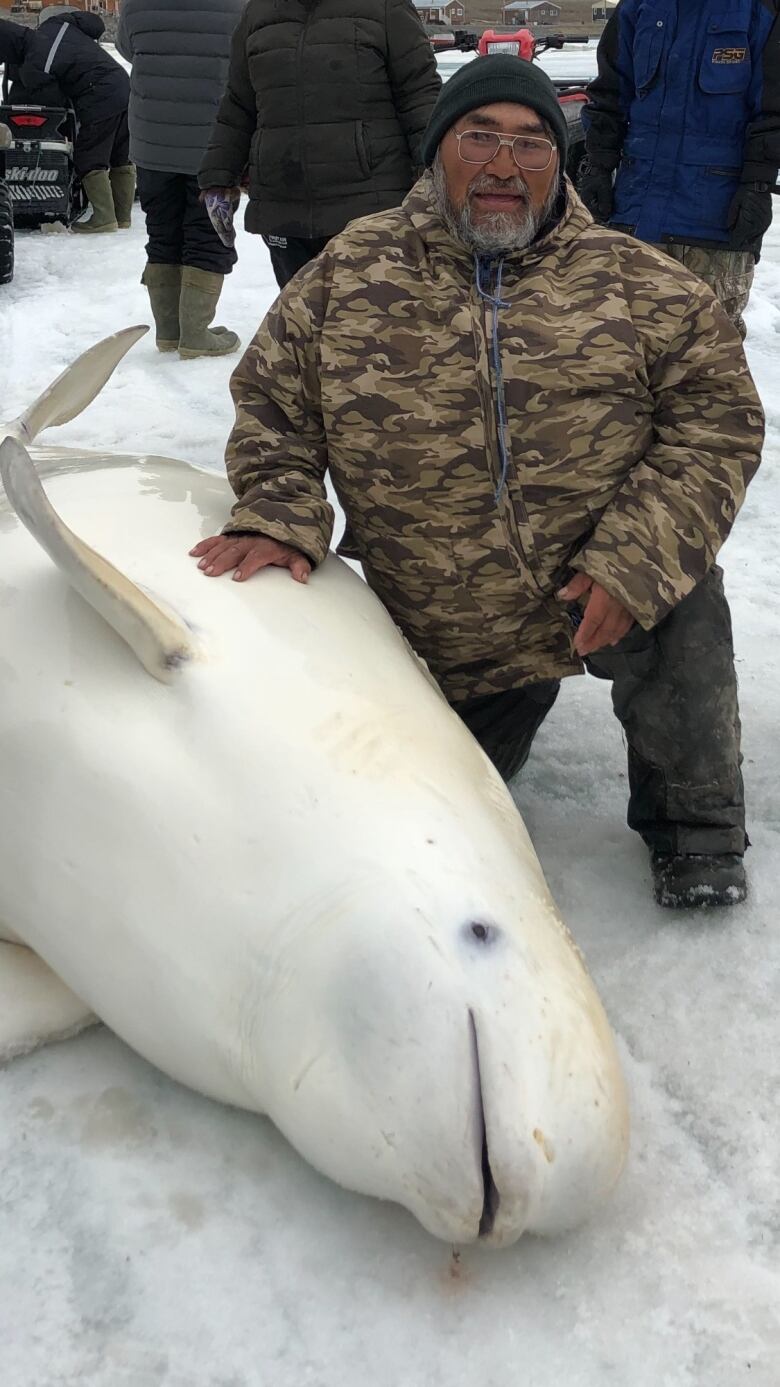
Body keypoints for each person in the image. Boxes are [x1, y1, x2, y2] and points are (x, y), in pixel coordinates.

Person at [190, 57, 764, 910]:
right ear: (436, 153)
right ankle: (503, 707)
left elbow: (716, 420)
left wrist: (634, 559)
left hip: (594, 588)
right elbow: (275, 403)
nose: (504, 165)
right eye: (480, 137)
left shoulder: (639, 284)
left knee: (683, 608)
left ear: (559, 163)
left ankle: (695, 822)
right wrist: (278, 512)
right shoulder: (352, 272)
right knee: (414, 820)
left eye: (532, 144)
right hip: (438, 617)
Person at [197, 0, 441, 289]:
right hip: (283, 206)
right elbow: (238, 103)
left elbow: (420, 95)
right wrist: (218, 178)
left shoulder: (387, 6)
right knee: (299, 324)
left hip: (369, 206)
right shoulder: (257, 12)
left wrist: (438, 172)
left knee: (368, 324)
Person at [579, 0, 780, 337]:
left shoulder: (760, 8)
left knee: (711, 364)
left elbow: (773, 110)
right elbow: (609, 95)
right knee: (620, 357)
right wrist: (598, 166)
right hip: (635, 221)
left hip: (717, 226)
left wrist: (757, 186)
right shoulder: (638, 7)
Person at [116, 0, 244, 360]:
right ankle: (195, 333)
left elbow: (128, 48)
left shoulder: (135, 6)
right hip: (213, 145)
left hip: (152, 143)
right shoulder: (237, 7)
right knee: (208, 233)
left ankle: (169, 331)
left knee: (162, 231)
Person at [19, 6, 133, 234]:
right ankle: (122, 217)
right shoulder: (72, 31)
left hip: (98, 92)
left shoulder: (44, 41)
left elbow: (50, 94)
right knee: (121, 153)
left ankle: (104, 218)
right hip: (123, 84)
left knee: (90, 154)